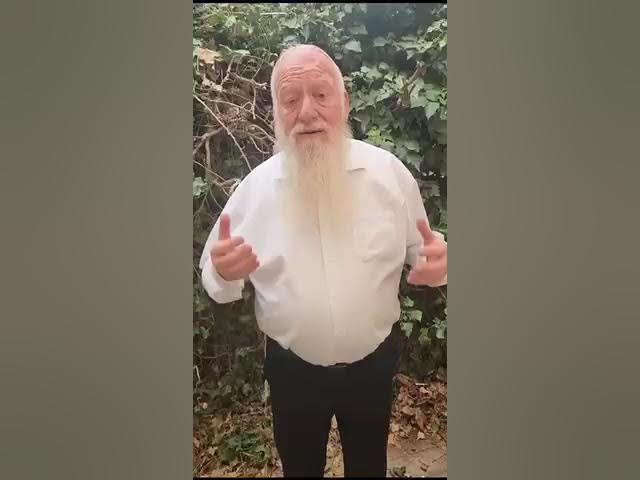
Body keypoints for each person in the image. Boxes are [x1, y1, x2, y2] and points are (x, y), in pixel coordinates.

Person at [199, 44, 447, 478]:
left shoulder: (389, 175)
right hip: (292, 372)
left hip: (373, 367)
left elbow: (425, 250)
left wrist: (440, 265)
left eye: (321, 94)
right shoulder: (255, 191)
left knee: (369, 467)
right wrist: (221, 272)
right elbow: (214, 277)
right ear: (276, 113)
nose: (307, 112)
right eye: (290, 100)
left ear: (344, 102)